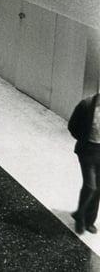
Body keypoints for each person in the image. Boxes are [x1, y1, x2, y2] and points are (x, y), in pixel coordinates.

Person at [69, 92, 100, 234]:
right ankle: (80, 215)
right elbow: (72, 126)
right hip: (88, 150)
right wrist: (83, 139)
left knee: (98, 188)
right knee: (90, 186)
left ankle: (89, 220)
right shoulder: (86, 105)